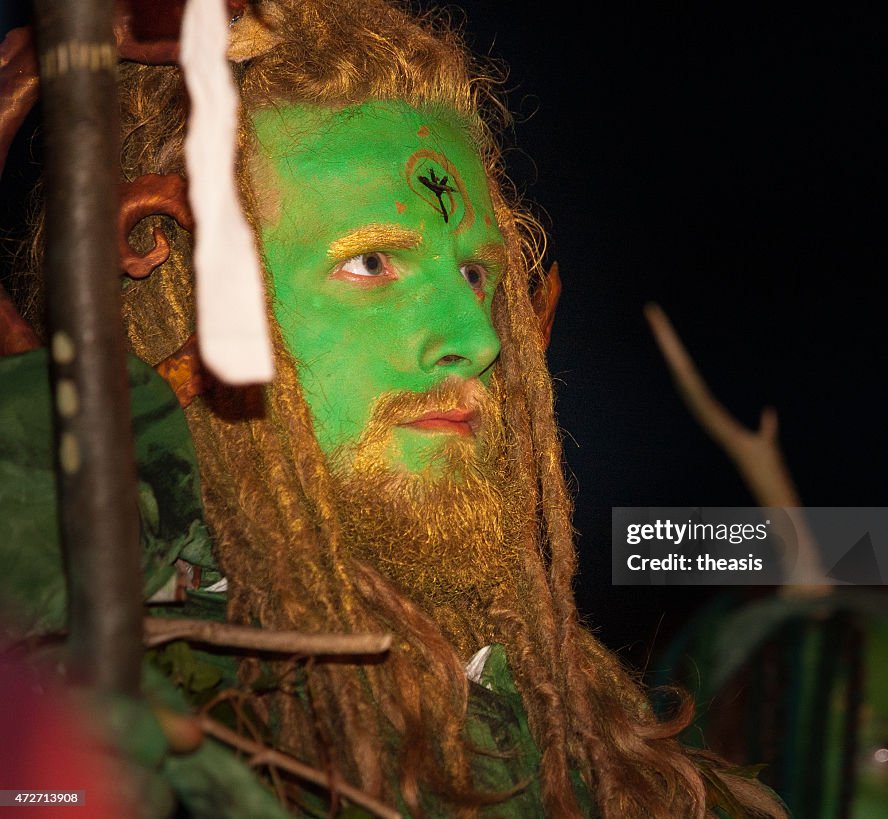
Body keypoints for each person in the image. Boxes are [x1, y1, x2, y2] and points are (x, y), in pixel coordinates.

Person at [2, 1, 785, 816]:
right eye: (373, 262)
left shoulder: (634, 778)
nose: (478, 338)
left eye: (478, 274)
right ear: (176, 302)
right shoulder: (100, 740)